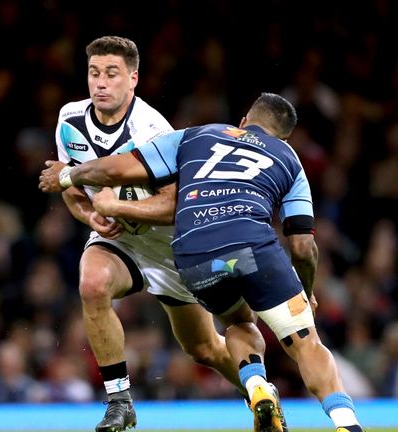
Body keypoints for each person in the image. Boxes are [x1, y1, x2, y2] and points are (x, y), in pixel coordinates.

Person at [40, 93, 363, 432]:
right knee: (304, 341)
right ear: (283, 136)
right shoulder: (287, 157)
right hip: (250, 243)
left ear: (242, 122)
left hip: (194, 251)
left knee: (237, 325)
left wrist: (67, 177)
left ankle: (257, 388)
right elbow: (302, 245)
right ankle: (346, 423)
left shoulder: (197, 134)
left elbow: (116, 166)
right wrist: (307, 290)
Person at [45, 35, 273, 432]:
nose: (100, 83)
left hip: (172, 248)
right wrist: (89, 218)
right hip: (122, 243)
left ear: (133, 79)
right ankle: (120, 401)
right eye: (94, 73)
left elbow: (173, 205)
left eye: (111, 74)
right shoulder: (70, 119)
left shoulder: (152, 130)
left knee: (203, 349)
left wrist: (118, 208)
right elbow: (72, 187)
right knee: (92, 283)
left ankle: (261, 397)